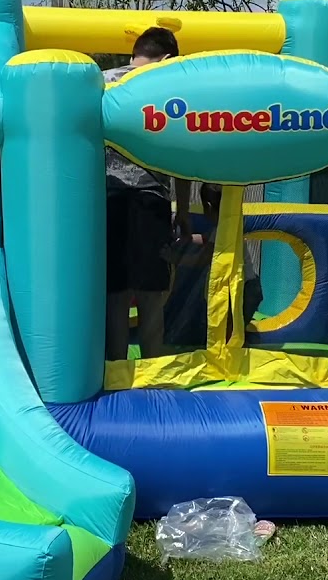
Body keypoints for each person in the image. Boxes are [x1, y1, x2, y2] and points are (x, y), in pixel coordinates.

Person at [103, 27, 192, 360]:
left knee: (116, 293)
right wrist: (181, 210)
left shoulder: (101, 81)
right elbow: (182, 154)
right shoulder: (168, 90)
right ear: (168, 59)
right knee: (152, 293)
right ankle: (154, 374)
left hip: (106, 199)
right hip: (149, 199)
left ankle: (115, 369)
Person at [164, 183, 263, 343]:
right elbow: (204, 238)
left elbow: (203, 259)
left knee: (228, 329)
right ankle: (238, 344)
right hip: (250, 285)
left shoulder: (221, 231)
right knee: (230, 325)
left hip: (243, 289)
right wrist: (186, 238)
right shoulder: (227, 226)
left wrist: (174, 259)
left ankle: (233, 351)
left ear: (208, 207)